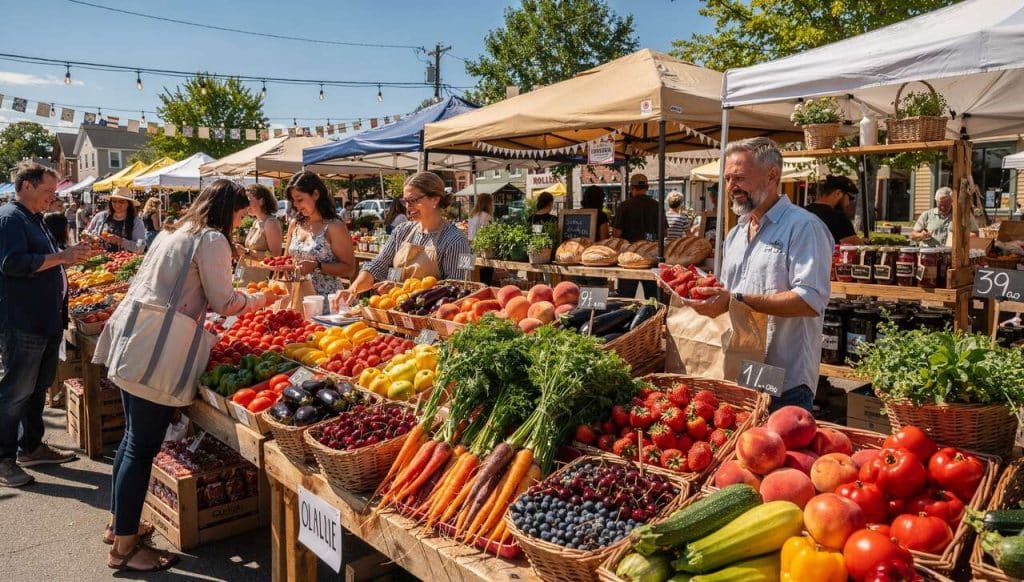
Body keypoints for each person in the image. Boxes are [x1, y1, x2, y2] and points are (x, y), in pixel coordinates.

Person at [93, 180, 276, 571]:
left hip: (135, 338)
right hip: (158, 350)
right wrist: (261, 299)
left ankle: (118, 525)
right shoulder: (211, 239)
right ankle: (125, 550)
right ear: (229, 210)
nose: (241, 222)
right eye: (241, 215)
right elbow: (225, 302)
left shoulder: (175, 230)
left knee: (130, 442)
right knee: (141, 449)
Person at [688, 138, 833, 413]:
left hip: (785, 380)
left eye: (740, 178)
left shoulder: (803, 227)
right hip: (740, 374)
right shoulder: (735, 234)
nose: (731, 187)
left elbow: (809, 301)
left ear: (772, 176)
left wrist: (737, 299)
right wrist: (704, 294)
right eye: (728, 178)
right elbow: (728, 296)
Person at [0, 162, 96, 487]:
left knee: (36, 389)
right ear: (26, 186)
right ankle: (3, 461)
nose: (52, 198)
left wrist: (66, 256)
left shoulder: (33, 219)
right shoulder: (11, 219)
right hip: (23, 321)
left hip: (43, 320)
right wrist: (62, 258)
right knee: (15, 393)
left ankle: (31, 447)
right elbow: (12, 263)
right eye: (47, 191)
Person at [341, 172, 471, 300]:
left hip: (430, 315)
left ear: (435, 199)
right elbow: (378, 265)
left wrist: (402, 287)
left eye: (413, 200)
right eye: (405, 201)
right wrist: (353, 290)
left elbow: (458, 288)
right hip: (396, 308)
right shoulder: (402, 231)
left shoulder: (456, 240)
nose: (408, 207)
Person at [284, 171, 356, 296]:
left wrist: (317, 266)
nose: (295, 205)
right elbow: (286, 260)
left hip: (327, 302)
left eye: (299, 199)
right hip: (297, 298)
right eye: (293, 201)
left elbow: (350, 269)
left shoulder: (334, 226)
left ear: (316, 194)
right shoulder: (295, 224)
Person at [911, 187, 979, 247]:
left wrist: (959, 237)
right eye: (940, 205)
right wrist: (922, 235)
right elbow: (913, 236)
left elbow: (975, 234)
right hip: (930, 257)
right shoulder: (926, 215)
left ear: (952, 201)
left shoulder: (964, 215)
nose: (943, 207)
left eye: (946, 205)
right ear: (936, 201)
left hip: (954, 256)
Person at [805, 175, 863, 245]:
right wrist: (861, 242)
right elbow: (855, 245)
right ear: (838, 193)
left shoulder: (803, 212)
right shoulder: (838, 218)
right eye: (850, 198)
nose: (849, 203)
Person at [86, 187, 146, 253]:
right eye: (114, 201)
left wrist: (120, 241)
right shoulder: (100, 217)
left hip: (123, 261)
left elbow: (140, 248)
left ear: (129, 204)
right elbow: (88, 234)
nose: (117, 205)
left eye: (122, 201)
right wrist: (91, 239)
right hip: (99, 260)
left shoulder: (136, 222)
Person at [612, 173, 668, 242]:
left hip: (630, 249)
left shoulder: (624, 206)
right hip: (651, 248)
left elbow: (616, 233)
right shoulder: (657, 206)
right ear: (647, 187)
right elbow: (664, 233)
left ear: (631, 187)